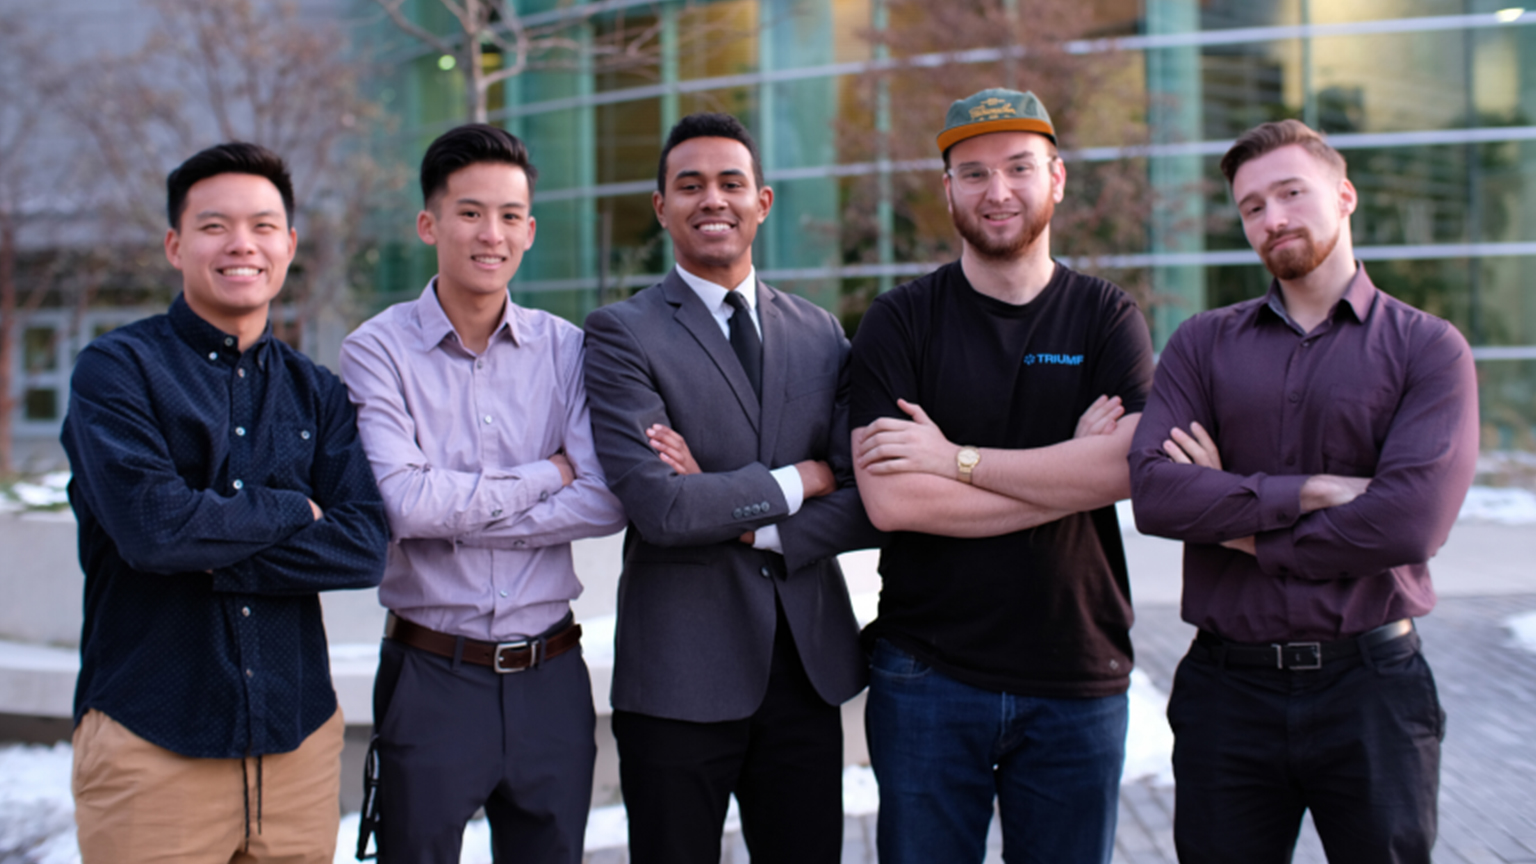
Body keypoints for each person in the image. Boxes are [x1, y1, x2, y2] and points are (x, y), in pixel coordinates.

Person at [1128, 119, 1479, 863]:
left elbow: (1408, 524)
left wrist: (1233, 510)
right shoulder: (1202, 343)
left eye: (1291, 193)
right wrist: (1313, 490)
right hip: (1228, 692)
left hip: (1373, 689)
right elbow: (1157, 494)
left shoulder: (1427, 348)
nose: (1272, 217)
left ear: (1344, 196)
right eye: (1252, 206)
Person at [848, 87, 1155, 864]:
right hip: (926, 675)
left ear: (1056, 179)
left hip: (1076, 671)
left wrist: (956, 461)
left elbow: (1128, 468)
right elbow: (891, 499)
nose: (999, 191)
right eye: (974, 173)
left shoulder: (1106, 317)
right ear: (947, 189)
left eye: (1019, 167)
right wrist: (1066, 473)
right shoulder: (899, 321)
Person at [61, 142, 389, 863]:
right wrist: (287, 511)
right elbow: (154, 532)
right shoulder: (118, 373)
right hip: (154, 743)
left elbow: (364, 544)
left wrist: (208, 552)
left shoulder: (317, 391)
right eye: (215, 226)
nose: (242, 244)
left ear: (290, 245)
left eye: (264, 226)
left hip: (297, 748)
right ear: (176, 245)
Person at [582, 112, 882, 864]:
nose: (711, 199)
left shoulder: (820, 333)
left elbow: (866, 495)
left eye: (730, 183)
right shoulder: (621, 333)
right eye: (690, 186)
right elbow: (661, 507)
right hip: (679, 678)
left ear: (763, 202)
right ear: (661, 208)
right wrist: (800, 479)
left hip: (805, 676)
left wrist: (756, 517)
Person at [338, 124, 627, 862]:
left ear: (529, 231)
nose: (489, 233)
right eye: (469, 213)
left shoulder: (568, 348)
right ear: (429, 224)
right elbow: (404, 506)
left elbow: (605, 500)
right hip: (432, 673)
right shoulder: (377, 350)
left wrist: (454, 512)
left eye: (507, 216)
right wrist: (546, 473)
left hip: (553, 676)